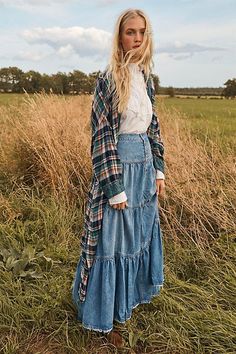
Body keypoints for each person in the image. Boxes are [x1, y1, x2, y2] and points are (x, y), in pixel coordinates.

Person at [72, 8, 165, 346]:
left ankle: (125, 304)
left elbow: (152, 127)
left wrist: (158, 169)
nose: (137, 38)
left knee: (137, 238)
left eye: (142, 32)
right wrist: (114, 187)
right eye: (130, 32)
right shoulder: (109, 77)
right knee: (112, 242)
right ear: (119, 36)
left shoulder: (146, 77)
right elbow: (101, 136)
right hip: (119, 170)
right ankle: (104, 319)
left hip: (143, 170)